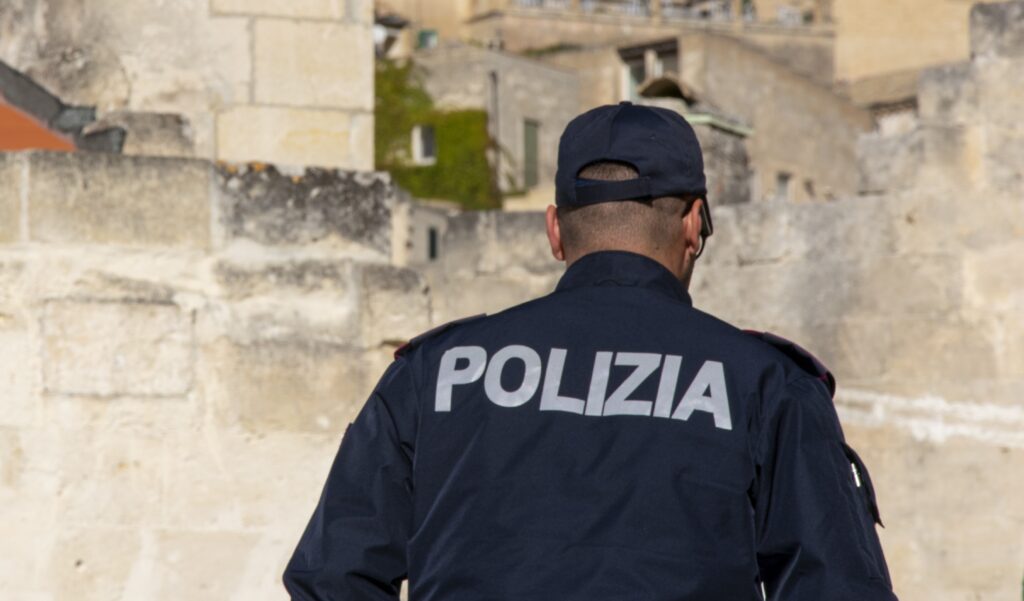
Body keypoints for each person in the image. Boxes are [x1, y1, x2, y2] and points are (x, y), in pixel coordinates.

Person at [283, 102, 899, 600]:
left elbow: (333, 577)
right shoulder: (765, 382)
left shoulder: (434, 372)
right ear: (693, 223)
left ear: (555, 229)